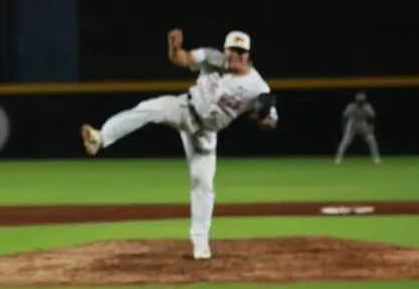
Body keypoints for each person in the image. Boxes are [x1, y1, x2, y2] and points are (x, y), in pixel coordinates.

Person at [80, 29, 278, 261]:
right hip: (185, 108)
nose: (236, 55)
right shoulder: (212, 57)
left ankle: (200, 242)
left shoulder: (258, 87)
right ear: (225, 50)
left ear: (248, 55)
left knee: (203, 182)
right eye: (232, 50)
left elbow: (271, 121)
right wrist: (174, 47)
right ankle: (100, 138)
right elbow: (182, 59)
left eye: (241, 51)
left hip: (205, 133)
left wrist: (263, 117)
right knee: (149, 108)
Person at [335, 92, 382, 165]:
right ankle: (338, 158)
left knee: (371, 140)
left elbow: (372, 117)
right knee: (345, 141)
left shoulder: (367, 107)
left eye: (362, 101)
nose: (360, 102)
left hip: (363, 123)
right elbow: (344, 117)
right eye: (359, 101)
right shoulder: (351, 107)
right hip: (352, 123)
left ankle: (376, 158)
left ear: (364, 101)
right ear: (356, 100)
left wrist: (371, 127)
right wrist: (344, 127)